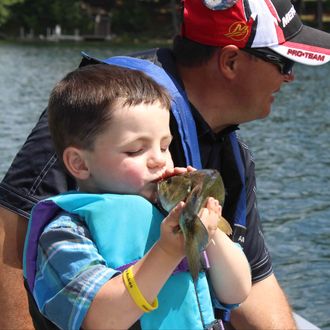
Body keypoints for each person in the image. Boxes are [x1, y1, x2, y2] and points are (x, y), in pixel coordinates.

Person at [1, 0, 330, 328]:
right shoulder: (105, 106)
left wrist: (209, 233)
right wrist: (168, 252)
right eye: (285, 64)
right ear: (230, 61)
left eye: (166, 146)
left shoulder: (231, 159)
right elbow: (9, 233)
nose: (291, 79)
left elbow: (248, 287)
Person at [23, 63, 251, 330]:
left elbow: (236, 291)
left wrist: (205, 227)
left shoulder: (171, 216)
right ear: (80, 164)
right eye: (135, 150)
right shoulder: (66, 234)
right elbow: (101, 319)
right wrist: (167, 252)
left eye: (165, 146)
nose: (158, 160)